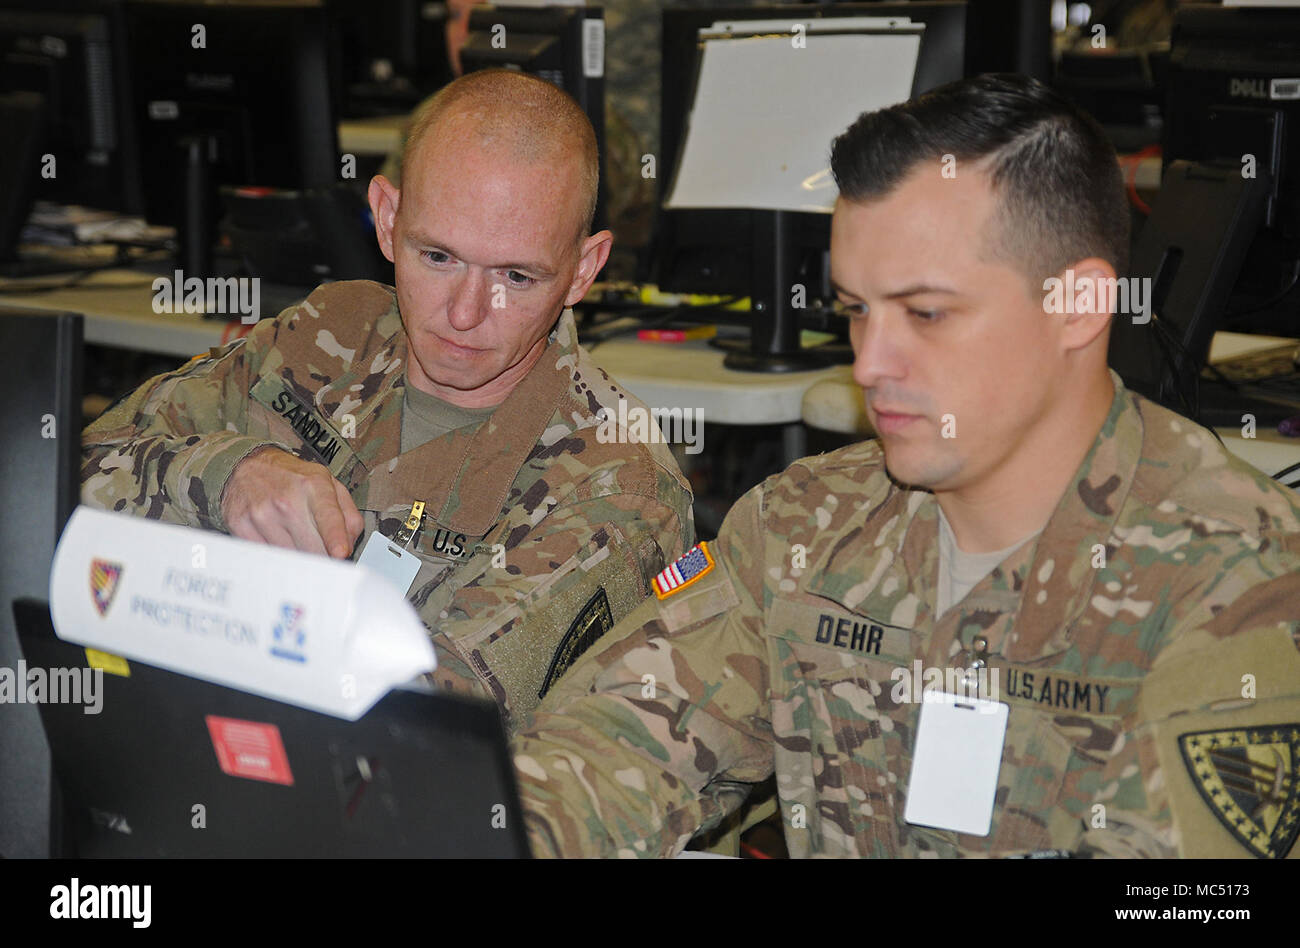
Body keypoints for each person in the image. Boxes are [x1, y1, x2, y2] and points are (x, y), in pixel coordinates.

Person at [512, 74, 1300, 858]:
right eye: (857, 310)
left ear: (1080, 307)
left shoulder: (1235, 579)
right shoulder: (805, 526)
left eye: (925, 313)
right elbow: (617, 743)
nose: (869, 364)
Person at [81, 69, 695, 731]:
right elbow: (63, 477)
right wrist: (226, 478)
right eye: (437, 257)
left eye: (516, 277)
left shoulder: (616, 487)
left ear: (583, 269)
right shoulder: (328, 333)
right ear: (387, 218)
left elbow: (426, 719)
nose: (464, 313)